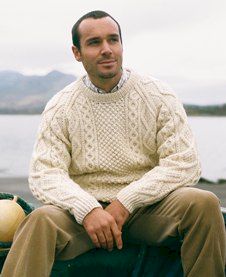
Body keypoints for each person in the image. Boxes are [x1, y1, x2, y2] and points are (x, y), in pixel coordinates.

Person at [2, 10, 225, 277]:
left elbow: (184, 163)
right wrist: (88, 209)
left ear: (121, 44)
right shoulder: (61, 106)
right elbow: (44, 174)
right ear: (77, 52)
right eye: (94, 42)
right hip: (82, 219)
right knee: (39, 220)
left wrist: (126, 202)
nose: (107, 49)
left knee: (203, 203)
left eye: (113, 40)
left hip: (147, 211)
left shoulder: (159, 95)